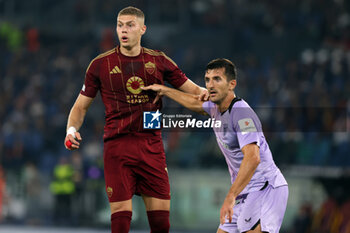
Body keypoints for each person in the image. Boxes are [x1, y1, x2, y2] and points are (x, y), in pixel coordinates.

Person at [64, 6, 207, 233]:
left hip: (151, 147)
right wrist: (71, 130)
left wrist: (218, 96)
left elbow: (196, 92)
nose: (124, 29)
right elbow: (80, 107)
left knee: (161, 225)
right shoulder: (100, 65)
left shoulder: (159, 61)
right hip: (117, 147)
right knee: (120, 223)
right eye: (120, 25)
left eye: (130, 25)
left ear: (142, 29)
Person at [142, 58, 289, 233]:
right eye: (207, 79)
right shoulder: (215, 107)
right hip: (243, 192)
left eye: (217, 79)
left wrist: (230, 196)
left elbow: (253, 157)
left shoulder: (241, 113)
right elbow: (195, 102)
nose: (210, 85)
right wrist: (165, 91)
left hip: (264, 188)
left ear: (231, 84)